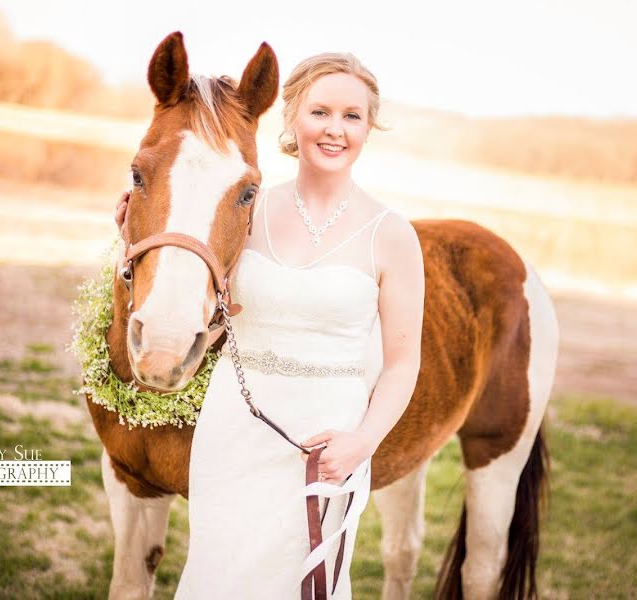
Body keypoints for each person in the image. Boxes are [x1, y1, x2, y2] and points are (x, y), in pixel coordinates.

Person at [115, 52, 424, 598]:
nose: (334, 129)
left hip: (328, 446)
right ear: (291, 118)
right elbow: (196, 309)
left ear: (369, 126)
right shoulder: (244, 214)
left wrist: (362, 443)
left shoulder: (391, 235)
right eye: (320, 111)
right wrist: (133, 235)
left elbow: (403, 364)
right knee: (219, 577)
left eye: (352, 116)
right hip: (234, 433)